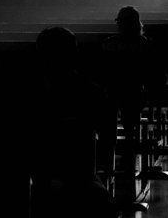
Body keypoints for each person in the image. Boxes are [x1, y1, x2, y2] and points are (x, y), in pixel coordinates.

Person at [31, 27, 116, 218]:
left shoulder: (32, 90)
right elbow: (107, 137)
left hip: (61, 175)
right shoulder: (91, 91)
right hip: (75, 174)